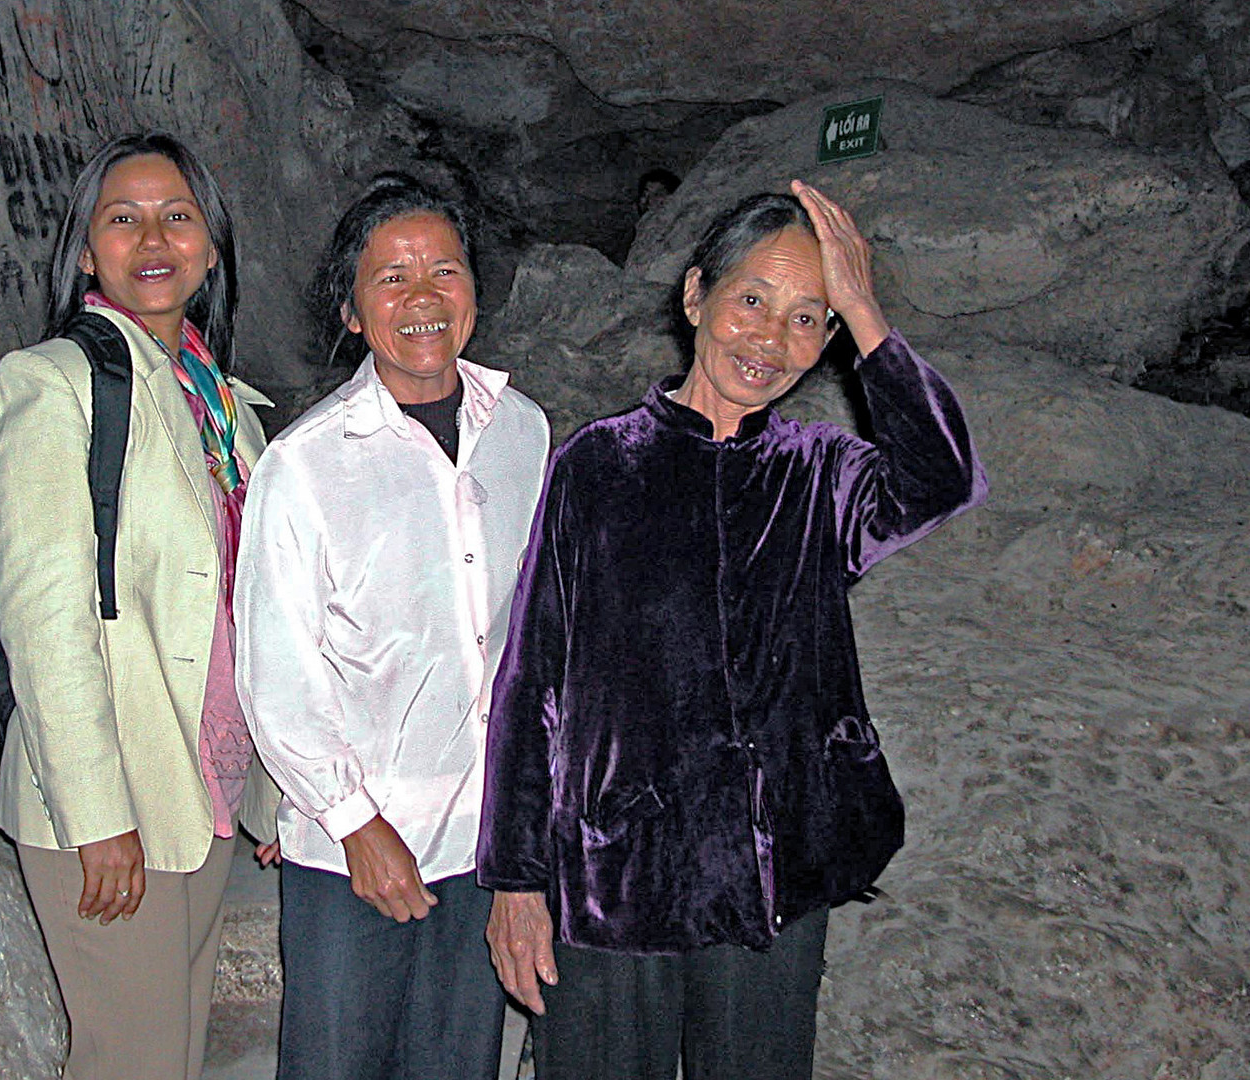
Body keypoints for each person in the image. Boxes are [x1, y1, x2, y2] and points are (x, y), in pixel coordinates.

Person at [477, 181, 988, 1080]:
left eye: (806, 318)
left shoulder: (818, 475)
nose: (769, 338)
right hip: (616, 870)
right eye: (751, 299)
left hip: (771, 869)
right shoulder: (598, 464)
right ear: (695, 294)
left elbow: (939, 478)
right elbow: (532, 677)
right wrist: (517, 880)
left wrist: (865, 308)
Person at [0, 131, 281, 1080]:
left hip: (204, 790)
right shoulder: (51, 385)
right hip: (113, 803)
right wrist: (95, 812)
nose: (153, 236)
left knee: (171, 1056)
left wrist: (266, 796)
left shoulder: (227, 405)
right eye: (123, 217)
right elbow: (45, 616)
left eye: (176, 215)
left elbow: (250, 614)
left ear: (212, 246)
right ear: (85, 250)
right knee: (133, 1063)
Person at [234, 173, 551, 1080]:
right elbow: (278, 667)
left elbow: (535, 637)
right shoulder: (306, 465)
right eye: (391, 278)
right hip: (356, 849)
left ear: (475, 292)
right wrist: (351, 820)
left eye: (443, 272)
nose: (422, 299)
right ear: (350, 309)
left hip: (486, 840)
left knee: (459, 1065)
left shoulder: (523, 434)